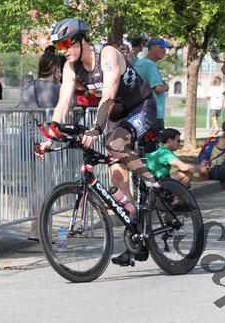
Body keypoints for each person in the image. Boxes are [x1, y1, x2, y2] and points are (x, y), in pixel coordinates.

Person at [36, 18, 160, 267]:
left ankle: (152, 182)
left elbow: (109, 94)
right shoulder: (70, 67)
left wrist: (95, 129)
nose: (64, 50)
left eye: (67, 44)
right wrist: (49, 138)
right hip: (116, 115)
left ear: (81, 40)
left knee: (114, 144)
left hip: (140, 106)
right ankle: (136, 235)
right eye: (59, 47)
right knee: (117, 177)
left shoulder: (108, 55)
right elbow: (63, 103)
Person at [20, 52, 62, 242]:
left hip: (28, 137)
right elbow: (71, 104)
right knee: (46, 185)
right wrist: (60, 83)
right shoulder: (56, 89)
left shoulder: (28, 86)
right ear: (55, 68)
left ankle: (34, 228)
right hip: (46, 139)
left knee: (34, 185)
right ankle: (43, 228)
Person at [134, 38, 171, 130]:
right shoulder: (150, 64)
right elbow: (158, 88)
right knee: (156, 139)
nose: (164, 51)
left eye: (165, 49)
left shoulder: (139, 63)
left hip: (141, 112)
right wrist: (166, 86)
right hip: (154, 114)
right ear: (153, 48)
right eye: (162, 48)